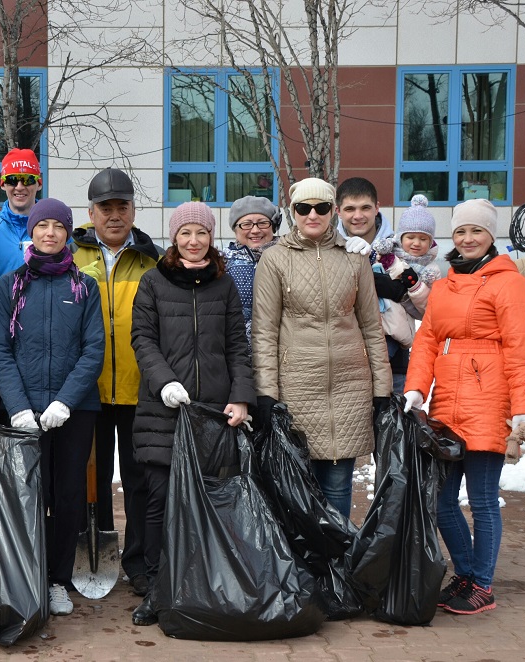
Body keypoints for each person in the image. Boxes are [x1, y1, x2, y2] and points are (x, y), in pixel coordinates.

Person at [404, 198, 525, 615]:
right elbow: (427, 339)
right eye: (461, 231)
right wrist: (415, 389)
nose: (467, 239)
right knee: (443, 500)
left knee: (481, 499)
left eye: (476, 231)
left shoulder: (509, 282)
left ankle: (482, 583)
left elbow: (519, 347)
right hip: (448, 401)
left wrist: (524, 409)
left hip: (490, 397)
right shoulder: (445, 284)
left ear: (491, 235)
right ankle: (465, 572)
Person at [129, 201, 255, 627]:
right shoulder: (153, 281)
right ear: (174, 237)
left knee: (211, 502)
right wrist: (164, 381)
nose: (194, 241)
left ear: (211, 236)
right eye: (186, 233)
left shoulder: (223, 285)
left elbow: (238, 345)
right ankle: (155, 588)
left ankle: (200, 584)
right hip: (163, 412)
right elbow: (142, 338)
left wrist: (240, 397)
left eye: (201, 232)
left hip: (212, 416)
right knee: (160, 503)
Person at [0, 197, 105, 617]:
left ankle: (58, 579)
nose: (51, 233)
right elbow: (0, 351)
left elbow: (94, 350)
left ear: (67, 232)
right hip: (24, 413)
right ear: (32, 232)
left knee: (68, 495)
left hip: (74, 411)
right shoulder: (11, 286)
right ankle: (29, 576)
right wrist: (18, 407)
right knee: (28, 497)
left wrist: (65, 402)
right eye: (43, 226)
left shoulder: (84, 287)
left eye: (59, 226)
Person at [253, 178, 392, 518]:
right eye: (303, 208)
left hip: (349, 385)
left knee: (339, 483)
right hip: (297, 384)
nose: (312, 214)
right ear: (293, 212)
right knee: (300, 484)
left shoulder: (354, 258)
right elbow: (264, 331)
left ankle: (336, 563)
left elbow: (372, 328)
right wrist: (267, 392)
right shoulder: (274, 259)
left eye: (321, 207)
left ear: (332, 211)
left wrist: (382, 389)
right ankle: (307, 565)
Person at [71, 167, 163, 597]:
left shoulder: (154, 260)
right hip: (85, 391)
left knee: (140, 479)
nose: (113, 215)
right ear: (90, 212)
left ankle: (140, 560)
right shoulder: (71, 258)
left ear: (133, 210)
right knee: (91, 477)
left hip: (138, 389)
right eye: (105, 207)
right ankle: (96, 548)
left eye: (121, 206)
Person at [337, 177, 421, 392]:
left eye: (365, 207)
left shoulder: (403, 247)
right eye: (350, 209)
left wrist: (400, 293)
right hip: (343, 363)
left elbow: (428, 311)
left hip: (395, 363)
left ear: (377, 208)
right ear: (338, 212)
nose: (358, 216)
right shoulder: (329, 250)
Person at [370, 194, 443, 348]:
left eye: (423, 239)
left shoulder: (431, 271)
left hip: (399, 333)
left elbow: (428, 311)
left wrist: (415, 286)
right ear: (400, 238)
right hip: (372, 329)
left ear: (430, 243)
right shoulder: (386, 257)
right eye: (411, 237)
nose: (416, 243)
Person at [221, 195, 281, 348]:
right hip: (236, 354)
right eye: (246, 224)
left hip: (280, 352)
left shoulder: (287, 257)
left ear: (273, 226)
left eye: (262, 223)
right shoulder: (221, 262)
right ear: (235, 229)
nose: (255, 230)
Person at [0, 148, 43, 277]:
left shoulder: (55, 231)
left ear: (39, 184)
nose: (19, 187)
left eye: (28, 179)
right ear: (3, 184)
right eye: (12, 180)